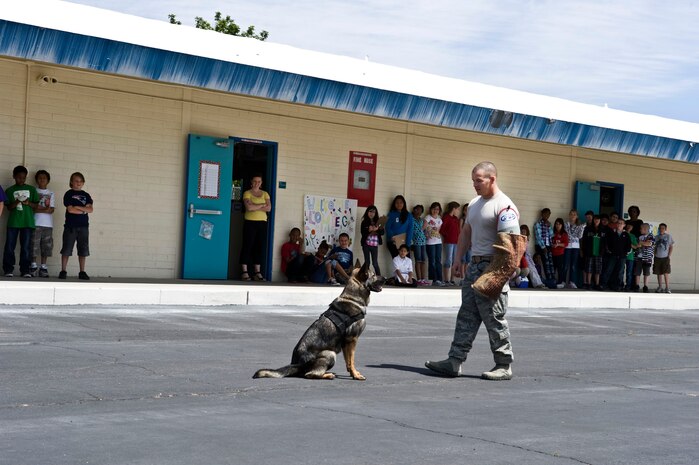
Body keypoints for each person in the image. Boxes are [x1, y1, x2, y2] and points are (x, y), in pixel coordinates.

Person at [426, 161, 520, 381]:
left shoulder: (505, 206)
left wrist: (499, 274)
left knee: (494, 316)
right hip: (474, 265)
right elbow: (466, 232)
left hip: (493, 265)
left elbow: (512, 246)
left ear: (492, 179)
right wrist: (458, 258)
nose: (475, 185)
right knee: (466, 315)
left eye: (479, 180)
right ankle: (454, 361)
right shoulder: (476, 204)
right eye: (473, 180)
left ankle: (503, 364)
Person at [3, 166, 40, 278]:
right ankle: (8, 269)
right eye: (19, 177)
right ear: (14, 176)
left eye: (23, 178)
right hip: (13, 222)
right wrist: (17, 201)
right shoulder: (9, 190)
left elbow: (36, 205)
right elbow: (8, 207)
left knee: (26, 247)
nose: (21, 180)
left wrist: (28, 203)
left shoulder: (32, 189)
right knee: (10, 246)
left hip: (27, 222)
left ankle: (25, 270)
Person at [59, 172, 93, 280]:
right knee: (67, 249)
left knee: (83, 249)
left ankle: (82, 271)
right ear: (71, 182)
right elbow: (70, 209)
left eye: (80, 181)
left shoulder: (86, 195)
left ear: (83, 183)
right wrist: (83, 210)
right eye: (76, 181)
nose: (78, 183)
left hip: (83, 226)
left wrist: (78, 207)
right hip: (70, 226)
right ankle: (63, 270)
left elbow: (90, 209)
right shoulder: (68, 194)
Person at [240, 175, 271, 281]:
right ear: (251, 182)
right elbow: (249, 207)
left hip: (262, 223)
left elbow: (269, 208)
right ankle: (244, 271)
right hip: (250, 223)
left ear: (261, 183)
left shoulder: (265, 194)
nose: (257, 183)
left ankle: (257, 272)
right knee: (247, 246)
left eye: (259, 181)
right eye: (255, 181)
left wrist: (256, 206)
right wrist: (262, 205)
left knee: (259, 247)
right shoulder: (247, 193)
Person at [31, 170, 55, 278]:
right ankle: (33, 266)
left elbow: (51, 210)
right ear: (36, 180)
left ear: (48, 180)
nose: (42, 180)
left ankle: (43, 267)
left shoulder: (51, 193)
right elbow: (32, 209)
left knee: (46, 246)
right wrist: (44, 209)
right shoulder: (33, 191)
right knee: (34, 245)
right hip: (35, 222)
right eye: (40, 178)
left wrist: (39, 209)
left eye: (44, 178)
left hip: (48, 224)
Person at [600, 219, 631, 291]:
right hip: (613, 255)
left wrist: (626, 252)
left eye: (621, 223)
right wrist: (610, 251)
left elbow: (628, 245)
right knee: (609, 270)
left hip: (622, 256)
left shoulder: (626, 235)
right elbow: (608, 243)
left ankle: (619, 286)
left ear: (624, 225)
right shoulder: (612, 234)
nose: (619, 224)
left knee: (620, 271)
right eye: (618, 223)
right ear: (616, 224)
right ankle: (603, 284)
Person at [359, 205, 383, 277]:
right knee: (367, 262)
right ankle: (366, 277)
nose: (372, 213)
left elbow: (382, 232)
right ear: (367, 212)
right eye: (370, 211)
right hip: (366, 244)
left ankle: (379, 278)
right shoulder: (364, 222)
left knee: (375, 263)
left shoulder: (378, 222)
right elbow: (362, 233)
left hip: (374, 245)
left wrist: (377, 229)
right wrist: (369, 230)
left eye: (374, 212)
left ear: (376, 213)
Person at [581, 215, 604, 290]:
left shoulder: (603, 229)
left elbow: (605, 241)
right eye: (595, 219)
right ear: (593, 220)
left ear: (600, 220)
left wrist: (602, 251)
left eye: (598, 219)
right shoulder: (588, 229)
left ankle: (597, 284)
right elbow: (584, 240)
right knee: (589, 269)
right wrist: (584, 250)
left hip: (599, 252)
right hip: (589, 252)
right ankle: (588, 284)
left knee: (598, 269)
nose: (596, 221)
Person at [441, 201, 460, 285]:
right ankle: (446, 279)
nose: (458, 211)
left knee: (454, 260)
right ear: (454, 209)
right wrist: (447, 235)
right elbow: (442, 229)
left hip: (456, 242)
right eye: (457, 209)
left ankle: (452, 279)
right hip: (449, 241)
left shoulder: (456, 219)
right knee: (448, 259)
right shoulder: (446, 217)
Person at [424, 202, 444, 286]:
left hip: (438, 242)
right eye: (434, 209)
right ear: (431, 209)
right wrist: (427, 233)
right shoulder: (428, 217)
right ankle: (434, 279)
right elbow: (423, 228)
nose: (435, 211)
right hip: (430, 242)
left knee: (438, 261)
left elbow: (438, 231)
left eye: (437, 209)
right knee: (432, 261)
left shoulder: (440, 220)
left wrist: (435, 229)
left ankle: (440, 279)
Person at [564, 209, 584, 289]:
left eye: (574, 214)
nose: (573, 216)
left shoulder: (579, 226)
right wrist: (574, 234)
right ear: (569, 215)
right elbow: (567, 234)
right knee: (565, 265)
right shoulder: (566, 224)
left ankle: (572, 282)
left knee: (573, 265)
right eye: (571, 214)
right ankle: (563, 281)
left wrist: (580, 228)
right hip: (567, 246)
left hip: (576, 247)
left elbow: (579, 236)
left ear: (577, 216)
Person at [534, 208, 555, 283]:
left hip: (548, 245)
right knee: (545, 264)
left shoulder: (549, 224)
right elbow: (538, 236)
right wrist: (543, 247)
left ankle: (552, 279)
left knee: (550, 263)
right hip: (541, 246)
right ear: (542, 214)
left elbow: (552, 235)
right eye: (545, 213)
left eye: (548, 214)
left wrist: (549, 227)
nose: (547, 215)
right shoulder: (538, 224)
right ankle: (547, 280)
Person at [653, 223, 674, 293]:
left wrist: (669, 255)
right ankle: (660, 287)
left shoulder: (668, 236)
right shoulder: (656, 237)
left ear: (665, 229)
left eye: (663, 228)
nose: (661, 229)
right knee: (659, 273)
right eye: (660, 228)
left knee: (666, 272)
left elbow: (671, 246)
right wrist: (655, 254)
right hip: (657, 257)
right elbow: (655, 246)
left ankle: (667, 287)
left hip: (665, 257)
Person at [410, 204, 428, 285]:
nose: (418, 212)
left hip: (423, 241)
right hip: (415, 241)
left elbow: (424, 230)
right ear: (414, 210)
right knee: (418, 260)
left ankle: (423, 279)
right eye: (417, 209)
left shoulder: (421, 220)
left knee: (423, 260)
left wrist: (426, 233)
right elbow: (411, 231)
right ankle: (419, 279)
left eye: (420, 210)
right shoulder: (411, 219)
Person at [634, 223, 654, 293]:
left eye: (641, 229)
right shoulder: (640, 237)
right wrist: (641, 243)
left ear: (645, 229)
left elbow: (649, 243)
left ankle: (645, 286)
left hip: (647, 258)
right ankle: (636, 285)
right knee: (637, 272)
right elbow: (637, 245)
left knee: (646, 272)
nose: (640, 230)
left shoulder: (650, 236)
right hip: (639, 257)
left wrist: (641, 243)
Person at [551, 217, 569, 288]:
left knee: (560, 269)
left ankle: (561, 282)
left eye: (559, 224)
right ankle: (552, 282)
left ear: (562, 225)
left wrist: (558, 244)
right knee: (553, 269)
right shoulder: (553, 232)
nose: (557, 225)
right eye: (556, 224)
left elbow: (566, 244)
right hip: (552, 253)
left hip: (560, 254)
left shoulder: (564, 234)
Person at [624, 223, 639, 291]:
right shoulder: (622, 233)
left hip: (630, 257)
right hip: (622, 256)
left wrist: (628, 243)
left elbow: (636, 246)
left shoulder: (633, 236)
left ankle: (628, 286)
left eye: (631, 226)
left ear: (632, 228)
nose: (629, 227)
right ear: (625, 226)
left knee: (629, 273)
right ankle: (620, 285)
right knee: (620, 272)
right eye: (628, 226)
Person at [458, 203, 471, 280]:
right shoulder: (462, 219)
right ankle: (462, 278)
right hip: (463, 242)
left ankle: (467, 277)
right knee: (463, 260)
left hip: (470, 242)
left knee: (468, 260)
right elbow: (460, 230)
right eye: (466, 210)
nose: (467, 211)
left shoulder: (471, 219)